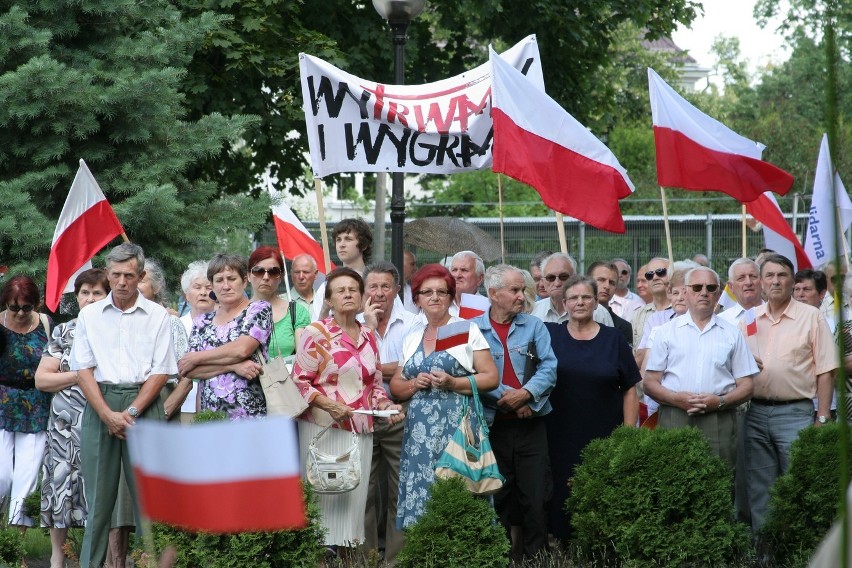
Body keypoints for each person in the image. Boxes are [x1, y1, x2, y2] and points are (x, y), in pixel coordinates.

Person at [69, 243, 177, 568]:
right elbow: (82, 369)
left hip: (144, 406)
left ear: (140, 275)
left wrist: (130, 413)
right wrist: (105, 413)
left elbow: (161, 371)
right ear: (106, 273)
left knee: (151, 500)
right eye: (115, 274)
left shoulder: (158, 315)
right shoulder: (89, 315)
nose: (122, 282)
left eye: (129, 275)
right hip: (100, 404)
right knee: (99, 504)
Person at [293, 267, 404, 551]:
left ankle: (351, 559)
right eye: (340, 290)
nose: (348, 294)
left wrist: (387, 405)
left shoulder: (368, 334)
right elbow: (300, 382)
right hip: (324, 427)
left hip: (361, 429)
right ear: (328, 299)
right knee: (324, 500)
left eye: (354, 289)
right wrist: (330, 405)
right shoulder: (315, 333)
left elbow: (375, 384)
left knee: (356, 502)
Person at [390, 264, 498, 529]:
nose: (434, 297)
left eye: (442, 291)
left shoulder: (464, 329)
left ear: (451, 296)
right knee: (423, 492)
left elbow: (490, 377)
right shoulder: (413, 335)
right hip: (419, 431)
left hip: (457, 425)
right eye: (427, 292)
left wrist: (454, 381)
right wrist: (414, 383)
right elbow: (396, 385)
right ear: (417, 299)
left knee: (459, 488)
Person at [743, 254, 837, 532]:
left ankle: (799, 551)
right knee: (760, 488)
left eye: (782, 275)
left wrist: (822, 417)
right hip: (755, 412)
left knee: (797, 482)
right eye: (769, 275)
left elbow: (826, 370)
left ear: (792, 281)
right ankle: (764, 554)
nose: (775, 281)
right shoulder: (749, 319)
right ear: (760, 282)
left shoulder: (811, 317)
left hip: (795, 413)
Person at [543, 275, 639, 542]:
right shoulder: (550, 335)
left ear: (597, 302)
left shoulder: (613, 339)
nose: (580, 302)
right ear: (564, 303)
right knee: (560, 494)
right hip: (559, 433)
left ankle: (597, 549)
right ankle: (561, 549)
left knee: (601, 491)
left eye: (586, 297)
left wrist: (628, 434)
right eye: (573, 298)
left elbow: (630, 388)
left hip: (604, 433)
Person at [472, 265, 556, 560]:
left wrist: (527, 397)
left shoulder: (535, 326)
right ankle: (500, 558)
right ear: (493, 294)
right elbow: (470, 372)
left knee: (535, 497)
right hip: (492, 427)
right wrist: (510, 397)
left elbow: (550, 367)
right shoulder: (473, 329)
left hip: (531, 425)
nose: (522, 296)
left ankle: (538, 559)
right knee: (498, 496)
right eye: (515, 290)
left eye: (523, 290)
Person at [644, 267, 757, 469]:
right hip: (674, 415)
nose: (704, 292)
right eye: (697, 287)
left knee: (720, 481)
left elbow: (747, 386)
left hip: (719, 418)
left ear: (718, 294)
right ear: (685, 292)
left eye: (710, 287)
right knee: (674, 479)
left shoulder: (732, 334)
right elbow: (650, 382)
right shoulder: (665, 332)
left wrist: (720, 401)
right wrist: (675, 399)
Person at [35, 269, 109, 568]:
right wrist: (80, 375)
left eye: (97, 293)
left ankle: (100, 558)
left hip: (101, 417)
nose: (90, 299)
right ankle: (57, 558)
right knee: (60, 485)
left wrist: (69, 377)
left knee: (99, 487)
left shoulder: (116, 332)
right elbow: (42, 379)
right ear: (76, 297)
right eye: (85, 293)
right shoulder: (64, 331)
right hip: (64, 424)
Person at [359, 261, 417, 563]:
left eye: (385, 286)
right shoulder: (352, 323)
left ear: (396, 289)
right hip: (360, 415)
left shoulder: (413, 323)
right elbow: (349, 369)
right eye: (373, 286)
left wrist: (373, 370)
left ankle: (396, 560)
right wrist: (368, 329)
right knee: (362, 493)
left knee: (400, 489)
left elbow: (410, 369)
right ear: (363, 290)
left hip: (400, 413)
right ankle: (365, 559)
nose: (379, 293)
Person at [178, 253, 272, 420]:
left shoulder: (258, 310)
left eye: (231, 278)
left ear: (244, 281)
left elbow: (242, 349)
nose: (226, 286)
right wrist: (233, 367)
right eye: (219, 280)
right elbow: (190, 371)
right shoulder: (202, 322)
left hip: (251, 417)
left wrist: (197, 357)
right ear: (212, 285)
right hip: (211, 418)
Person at [0, 275, 52, 531]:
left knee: (27, 477)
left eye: (26, 307)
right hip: (1, 403)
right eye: (13, 307)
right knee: (2, 476)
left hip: (36, 405)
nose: (20, 313)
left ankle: (16, 545)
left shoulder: (45, 324)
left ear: (36, 305)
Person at [717, 257, 764, 526]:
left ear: (761, 281)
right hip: (735, 406)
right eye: (741, 278)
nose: (748, 282)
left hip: (773, 403)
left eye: (753, 276)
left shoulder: (774, 314)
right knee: (737, 472)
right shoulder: (721, 320)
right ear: (731, 286)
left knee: (762, 475)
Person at [249, 247, 310, 358]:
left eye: (273, 272)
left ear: (281, 277)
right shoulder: (237, 312)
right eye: (259, 271)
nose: (266, 277)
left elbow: (304, 359)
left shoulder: (297, 312)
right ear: (248, 275)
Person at [313, 218, 373, 320]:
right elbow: (315, 330)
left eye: (348, 239)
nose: (342, 244)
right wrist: (325, 310)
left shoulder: (377, 282)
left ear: (364, 245)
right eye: (338, 239)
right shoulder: (326, 287)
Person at [531, 253, 613, 326]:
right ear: (543, 281)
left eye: (563, 277)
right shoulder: (534, 312)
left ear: (574, 278)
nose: (557, 283)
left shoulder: (598, 313)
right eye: (551, 277)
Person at [177, 260, 214, 423]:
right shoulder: (176, 326)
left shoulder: (227, 326)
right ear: (187, 294)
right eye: (197, 287)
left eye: (208, 287)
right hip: (183, 404)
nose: (203, 292)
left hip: (217, 406)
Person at [631, 257, 671, 363]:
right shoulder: (638, 314)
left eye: (661, 272)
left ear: (672, 275)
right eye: (649, 275)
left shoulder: (682, 311)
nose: (655, 277)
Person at [588, 261, 633, 347]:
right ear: (588, 281)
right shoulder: (572, 318)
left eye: (612, 283)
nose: (607, 286)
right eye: (601, 280)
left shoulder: (624, 327)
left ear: (616, 288)